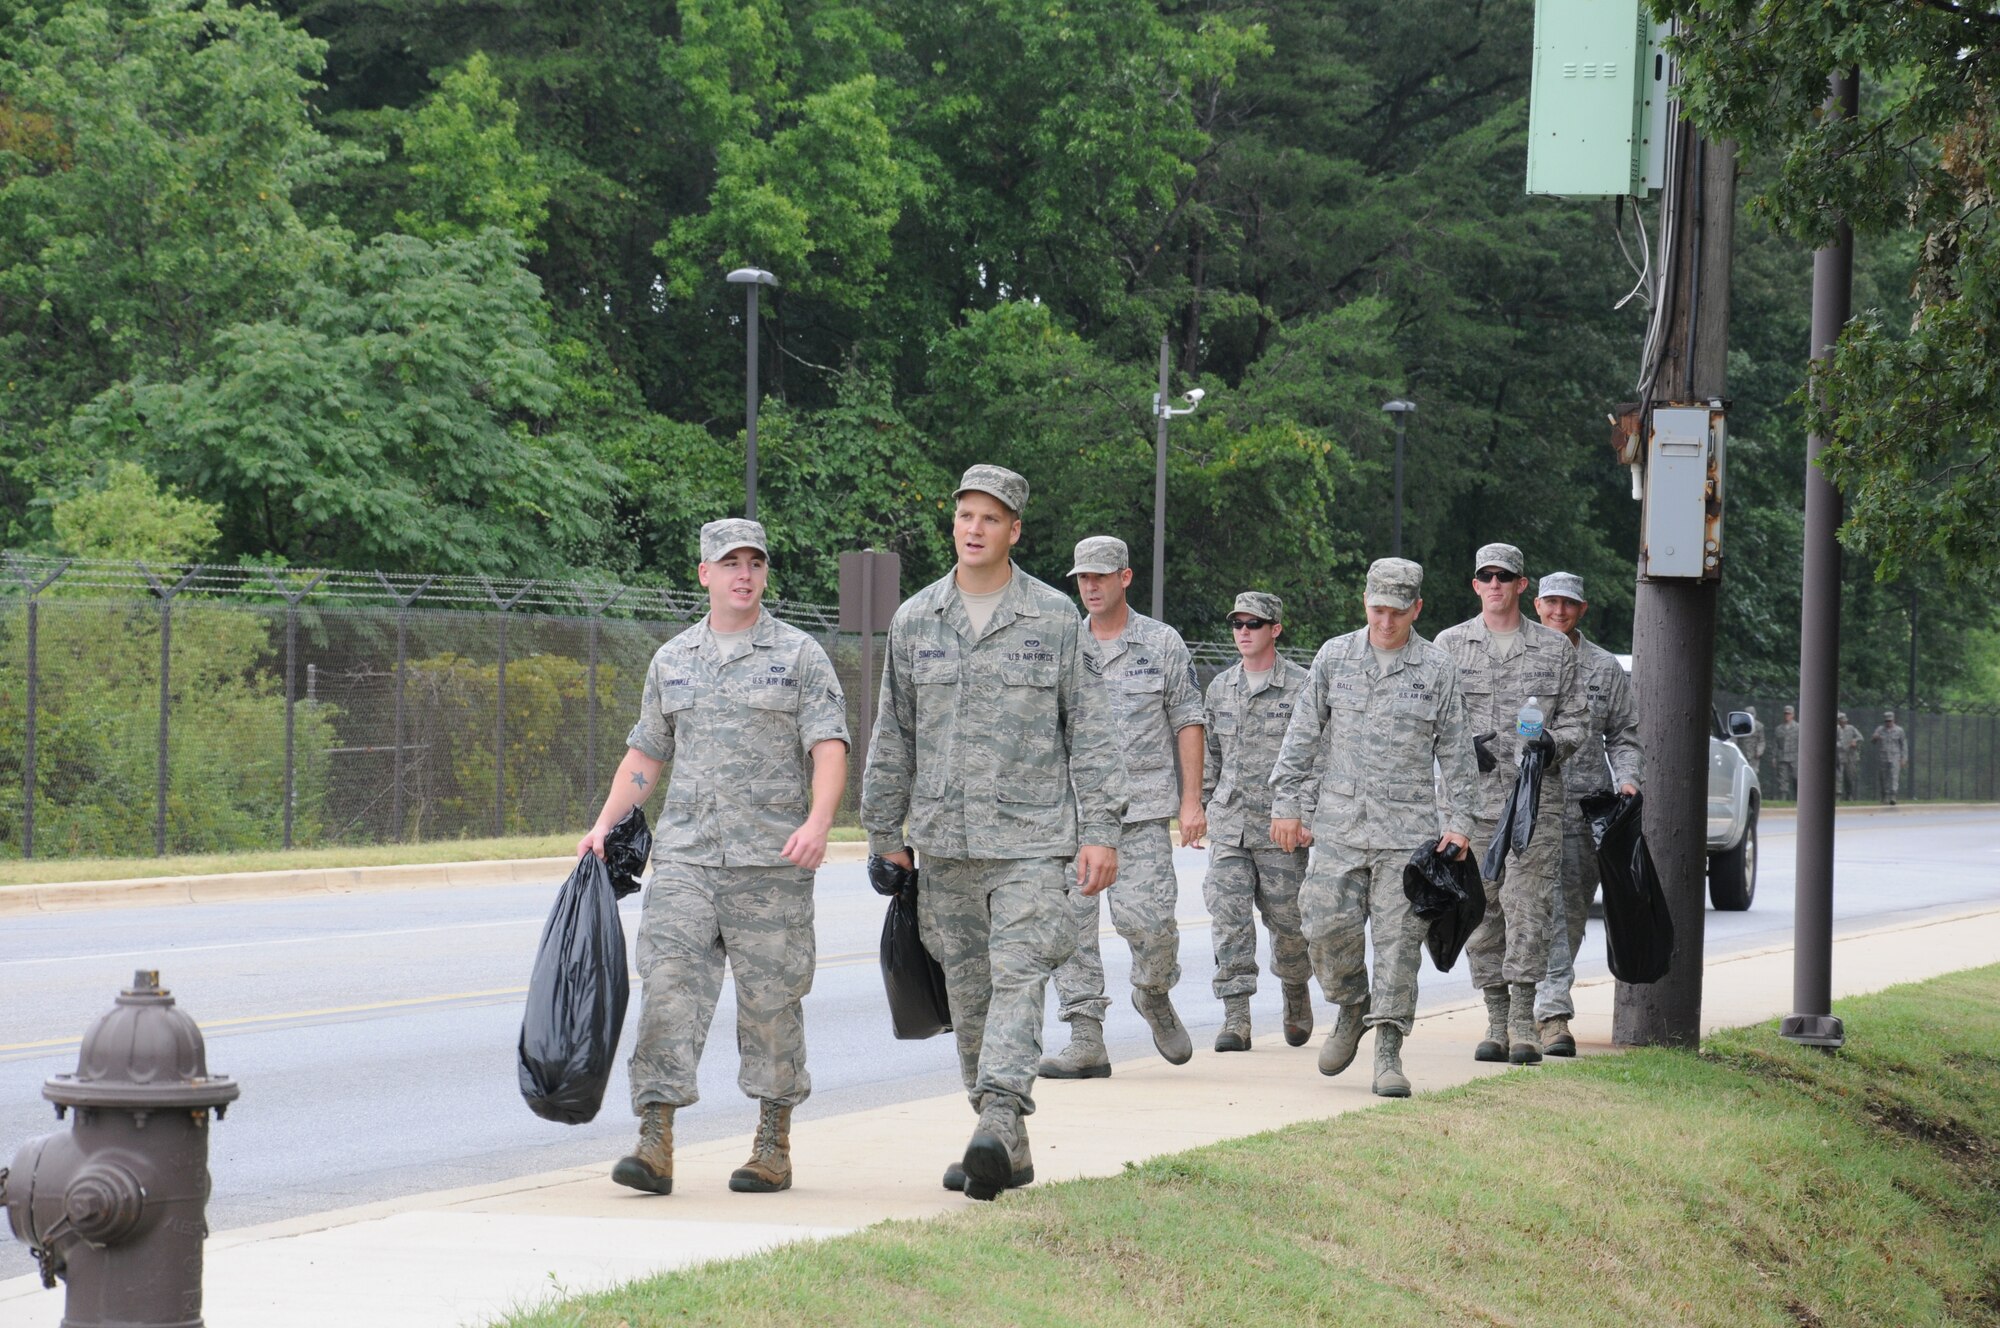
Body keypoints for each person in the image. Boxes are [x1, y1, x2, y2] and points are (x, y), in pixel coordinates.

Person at [860, 465, 1124, 1201]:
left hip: (1034, 842)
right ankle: (1002, 1139)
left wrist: (1100, 832)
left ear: (1014, 530)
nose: (973, 528)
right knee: (970, 995)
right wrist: (884, 830)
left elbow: (1093, 735)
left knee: (1016, 978)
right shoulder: (916, 619)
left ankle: (1000, 1111)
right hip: (945, 842)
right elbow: (894, 734)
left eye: (989, 518)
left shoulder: (1053, 620)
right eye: (964, 515)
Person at [580, 518, 850, 1198]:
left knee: (772, 1007)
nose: (744, 574)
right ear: (704, 574)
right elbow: (646, 756)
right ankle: (655, 1140)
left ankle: (771, 1145)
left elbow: (829, 747)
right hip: (688, 863)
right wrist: (603, 824)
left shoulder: (799, 656)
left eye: (755, 562)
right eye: (730, 562)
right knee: (667, 992)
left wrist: (819, 822)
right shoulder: (672, 659)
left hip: (772, 867)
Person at [1270, 558, 1477, 1097]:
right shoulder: (1335, 657)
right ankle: (1351, 1003)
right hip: (1338, 826)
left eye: (1397, 611)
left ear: (1417, 609)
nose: (1386, 621)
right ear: (1365, 603)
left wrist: (1459, 823)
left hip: (1406, 835)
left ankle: (1388, 1050)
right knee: (1321, 928)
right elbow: (1301, 734)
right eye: (1377, 609)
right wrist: (1286, 803)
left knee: (1398, 946)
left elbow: (1457, 753)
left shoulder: (1436, 667)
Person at [1040, 535, 1204, 1077]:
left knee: (1154, 926)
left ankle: (1153, 992)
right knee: (1071, 931)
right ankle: (1086, 1037)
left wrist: (1190, 802)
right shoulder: (1063, 643)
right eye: (1082, 577)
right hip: (1073, 817)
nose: (1090, 586)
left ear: (1125, 577)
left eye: (1101, 576)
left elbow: (1187, 720)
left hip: (1140, 813)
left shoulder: (1160, 643)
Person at [1433, 543, 1586, 1065]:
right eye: (1486, 576)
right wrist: (1456, 749)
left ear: (1523, 585)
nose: (1495, 584)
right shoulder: (1448, 646)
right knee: (1481, 911)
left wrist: (1553, 745)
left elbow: (1578, 720)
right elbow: (1429, 724)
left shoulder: (1554, 649)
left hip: (1533, 803)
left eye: (1505, 576)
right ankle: (1494, 1020)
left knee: (1529, 908)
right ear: (1475, 585)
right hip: (1469, 806)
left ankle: (1524, 1018)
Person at [1195, 591, 1315, 1054]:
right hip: (1230, 825)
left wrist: (1304, 814)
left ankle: (1294, 990)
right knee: (1228, 918)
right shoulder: (1220, 687)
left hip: (1280, 827)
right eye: (1237, 624)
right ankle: (1236, 1016)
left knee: (1288, 925)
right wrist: (1203, 806)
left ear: (1275, 629)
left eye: (1254, 624)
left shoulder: (1304, 687)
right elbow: (1211, 757)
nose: (1244, 632)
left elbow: (1318, 758)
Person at [1527, 572, 1641, 1057]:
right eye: (1551, 602)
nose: (1559, 611)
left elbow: (1624, 733)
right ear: (1536, 604)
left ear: (1582, 609)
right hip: (1525, 805)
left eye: (1568, 604)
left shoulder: (1604, 668)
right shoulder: (1521, 656)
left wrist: (1628, 779)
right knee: (1525, 908)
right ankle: (1534, 1008)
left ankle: (1548, 1008)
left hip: (1581, 808)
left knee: (1568, 913)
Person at [1871, 710, 1908, 805]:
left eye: (1890, 721)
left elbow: (1903, 744)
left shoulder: (1899, 730)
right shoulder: (1880, 729)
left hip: (1895, 756)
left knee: (1894, 776)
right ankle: (1884, 796)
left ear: (1893, 720)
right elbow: (1873, 741)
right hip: (1883, 756)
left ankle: (1893, 796)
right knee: (1883, 777)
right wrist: (1875, 738)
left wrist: (1904, 758)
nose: (1888, 723)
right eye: (1887, 721)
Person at [1774, 705, 1800, 801]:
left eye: (1789, 714)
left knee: (1796, 777)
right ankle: (1783, 798)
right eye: (1785, 714)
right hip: (1782, 756)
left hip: (1795, 757)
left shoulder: (1798, 728)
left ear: (1793, 715)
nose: (1787, 716)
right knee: (1782, 778)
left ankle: (1798, 798)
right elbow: (1775, 744)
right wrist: (1774, 757)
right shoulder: (1779, 729)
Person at [1836, 712, 1864, 800]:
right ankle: (1838, 795)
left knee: (1849, 776)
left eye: (1844, 721)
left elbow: (1861, 738)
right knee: (1838, 776)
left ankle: (1849, 795)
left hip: (1850, 756)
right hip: (1838, 755)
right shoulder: (1836, 729)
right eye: (1841, 721)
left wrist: (1855, 741)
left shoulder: (1851, 728)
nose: (1843, 723)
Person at [1739, 704, 1766, 779]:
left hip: (1754, 755)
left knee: (1753, 775)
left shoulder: (1759, 726)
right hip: (1742, 753)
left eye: (1752, 714)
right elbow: (1734, 738)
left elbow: (1762, 741)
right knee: (1742, 774)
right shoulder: (1740, 725)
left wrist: (1759, 751)